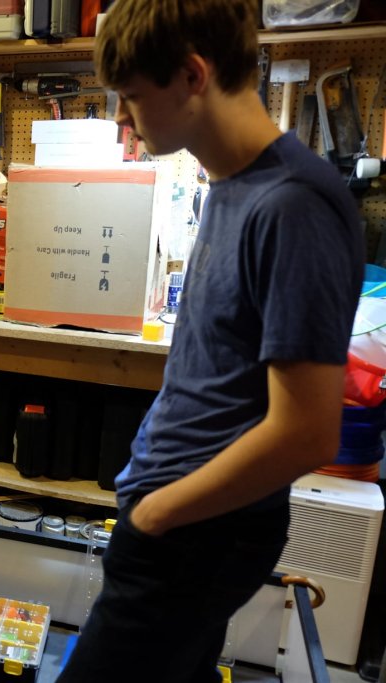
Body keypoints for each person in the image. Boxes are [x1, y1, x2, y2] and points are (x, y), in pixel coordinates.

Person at [56, 1, 363, 681]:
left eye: (133, 97)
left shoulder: (292, 205)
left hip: (196, 533)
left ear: (193, 75)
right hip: (179, 522)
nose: (123, 118)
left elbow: (308, 431)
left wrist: (159, 513)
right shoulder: (230, 185)